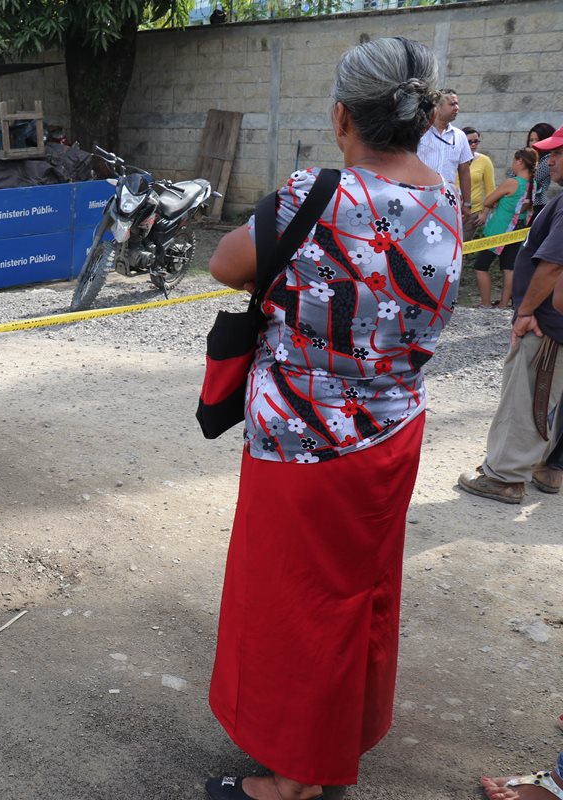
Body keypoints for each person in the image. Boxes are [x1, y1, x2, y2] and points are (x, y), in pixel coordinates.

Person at [204, 37, 458, 800]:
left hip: (303, 440)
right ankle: (345, 731)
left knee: (296, 603)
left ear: (342, 116)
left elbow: (224, 262)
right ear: (420, 121)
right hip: (393, 431)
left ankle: (294, 780)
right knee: (362, 588)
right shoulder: (445, 198)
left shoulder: (314, 194)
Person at [459, 129, 563, 503]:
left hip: (547, 322)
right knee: (547, 397)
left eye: (557, 154)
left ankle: (505, 476)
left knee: (527, 397)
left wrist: (527, 311)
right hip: (552, 319)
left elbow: (552, 266)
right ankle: (539, 467)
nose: (549, 161)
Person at [473, 148, 536, 308]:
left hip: (499, 229)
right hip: (517, 230)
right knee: (508, 267)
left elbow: (487, 201)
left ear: (520, 161)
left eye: (514, 161)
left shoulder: (512, 182)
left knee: (481, 266)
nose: (512, 164)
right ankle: (502, 304)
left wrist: (497, 201)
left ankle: (486, 303)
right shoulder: (532, 184)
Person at [417, 88, 472, 224]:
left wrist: (467, 203)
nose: (456, 108)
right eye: (452, 104)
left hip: (447, 197)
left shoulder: (460, 136)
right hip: (420, 194)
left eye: (457, 104)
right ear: (437, 107)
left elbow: (464, 171)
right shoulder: (420, 132)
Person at [464, 126, 495, 240]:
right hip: (453, 210)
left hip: (473, 212)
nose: (473, 144)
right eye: (469, 142)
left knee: (464, 248)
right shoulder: (453, 158)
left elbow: (490, 190)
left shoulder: (484, 161)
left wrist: (484, 214)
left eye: (476, 141)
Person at [528, 123, 556, 221]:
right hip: (521, 203)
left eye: (537, 139)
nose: (533, 143)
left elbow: (533, 177)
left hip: (537, 204)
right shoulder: (526, 157)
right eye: (531, 140)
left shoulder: (547, 159)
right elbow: (512, 175)